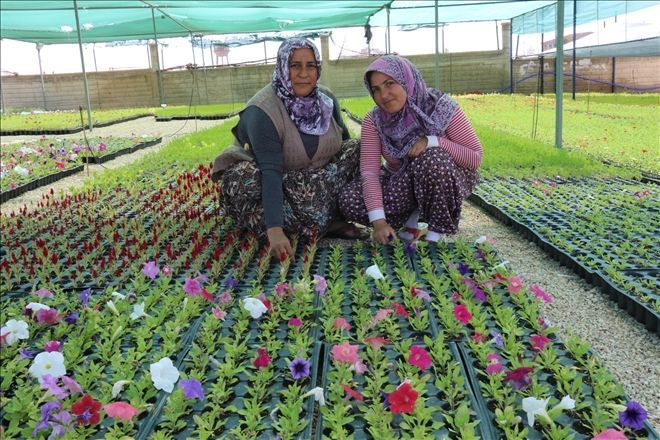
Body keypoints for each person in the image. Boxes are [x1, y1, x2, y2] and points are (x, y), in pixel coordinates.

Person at [211, 38, 362, 258]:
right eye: (294, 66)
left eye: (310, 66)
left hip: (316, 186)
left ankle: (324, 221)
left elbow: (345, 145)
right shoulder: (263, 110)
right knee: (243, 179)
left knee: (358, 149)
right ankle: (310, 225)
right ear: (282, 66)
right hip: (276, 185)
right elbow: (270, 171)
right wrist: (275, 231)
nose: (304, 73)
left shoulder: (326, 100)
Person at [339, 55, 482, 244]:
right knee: (349, 199)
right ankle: (410, 222)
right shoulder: (374, 120)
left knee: (433, 158)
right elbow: (370, 173)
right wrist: (378, 222)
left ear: (406, 80)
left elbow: (475, 158)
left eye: (390, 83)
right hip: (401, 184)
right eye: (376, 89)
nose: (384, 94)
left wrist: (432, 141)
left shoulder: (441, 106)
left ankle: (435, 234)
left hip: (442, 180)